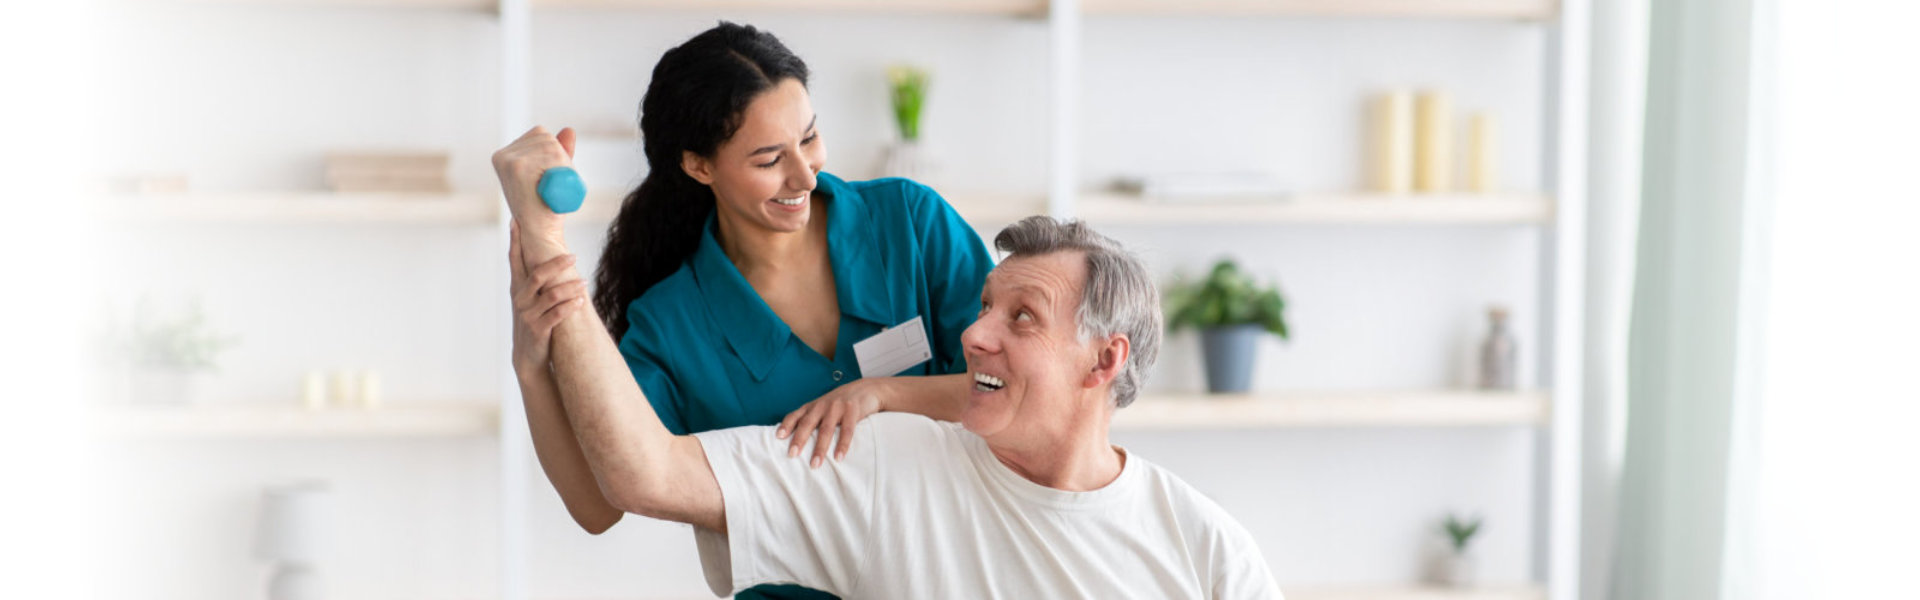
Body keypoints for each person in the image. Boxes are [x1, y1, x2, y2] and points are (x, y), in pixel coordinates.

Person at [496, 121, 1285, 597]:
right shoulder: (877, 467)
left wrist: (880, 390)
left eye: (1022, 317)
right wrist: (548, 259)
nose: (974, 335)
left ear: (1102, 362)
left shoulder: (1205, 546)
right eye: (982, 308)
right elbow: (642, 476)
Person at [502, 22, 992, 600]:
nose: (805, 175)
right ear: (699, 166)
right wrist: (532, 369)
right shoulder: (671, 322)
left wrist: (883, 394)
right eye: (769, 160)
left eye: (809, 138)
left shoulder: (911, 223)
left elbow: (1017, 391)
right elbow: (596, 505)